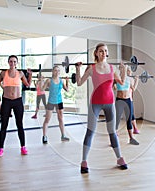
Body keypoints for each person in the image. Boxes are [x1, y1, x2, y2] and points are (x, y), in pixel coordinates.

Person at [76, 43, 128, 174]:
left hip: (110, 103)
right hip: (95, 103)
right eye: (101, 51)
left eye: (105, 51)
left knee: (112, 132)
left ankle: (119, 158)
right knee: (90, 132)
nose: (103, 53)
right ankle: (84, 161)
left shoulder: (112, 68)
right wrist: (78, 69)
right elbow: (79, 83)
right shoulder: (92, 68)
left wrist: (123, 70)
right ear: (96, 53)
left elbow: (122, 82)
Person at [0, 55, 32, 158]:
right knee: (3, 125)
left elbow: (27, 84)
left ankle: (23, 147)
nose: (12, 63)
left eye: (14, 61)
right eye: (11, 61)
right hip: (6, 101)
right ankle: (0, 149)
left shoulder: (20, 73)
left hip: (18, 101)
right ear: (8, 62)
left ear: (16, 63)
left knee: (20, 125)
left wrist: (30, 74)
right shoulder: (3, 73)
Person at [41, 66, 69, 144]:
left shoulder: (61, 81)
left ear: (59, 72)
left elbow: (67, 90)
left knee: (61, 119)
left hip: (59, 102)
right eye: (55, 70)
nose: (57, 72)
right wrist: (42, 80)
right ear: (52, 71)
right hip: (51, 102)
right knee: (47, 120)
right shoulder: (49, 81)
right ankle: (44, 136)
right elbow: (42, 89)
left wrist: (67, 81)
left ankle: (63, 136)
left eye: (58, 71)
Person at [115, 67, 139, 145]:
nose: (125, 71)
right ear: (120, 70)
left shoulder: (129, 79)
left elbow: (134, 88)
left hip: (128, 100)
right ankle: (114, 138)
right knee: (117, 119)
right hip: (119, 100)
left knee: (129, 120)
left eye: (126, 70)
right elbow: (112, 86)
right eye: (123, 69)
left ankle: (131, 138)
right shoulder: (117, 78)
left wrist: (137, 80)